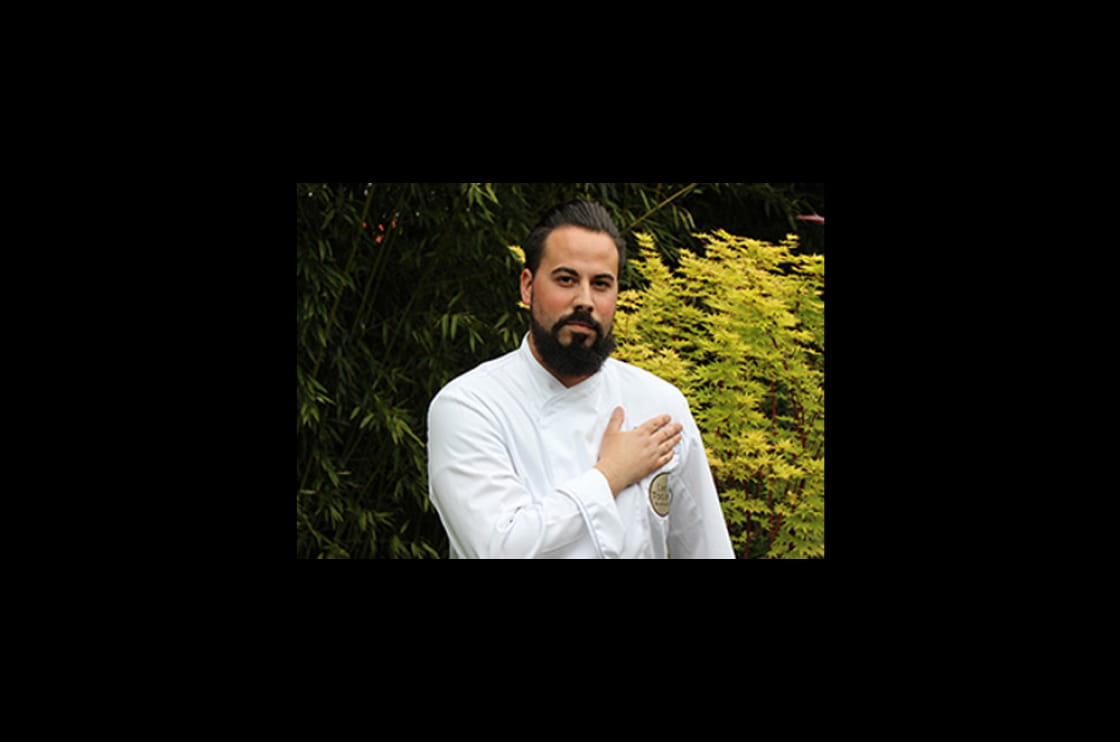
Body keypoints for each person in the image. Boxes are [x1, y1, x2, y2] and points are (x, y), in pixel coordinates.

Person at [426, 200, 734, 558]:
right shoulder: (470, 406)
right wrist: (612, 473)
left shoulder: (661, 405)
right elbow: (499, 549)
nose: (585, 300)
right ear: (527, 287)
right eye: (566, 280)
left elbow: (707, 548)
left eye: (601, 284)